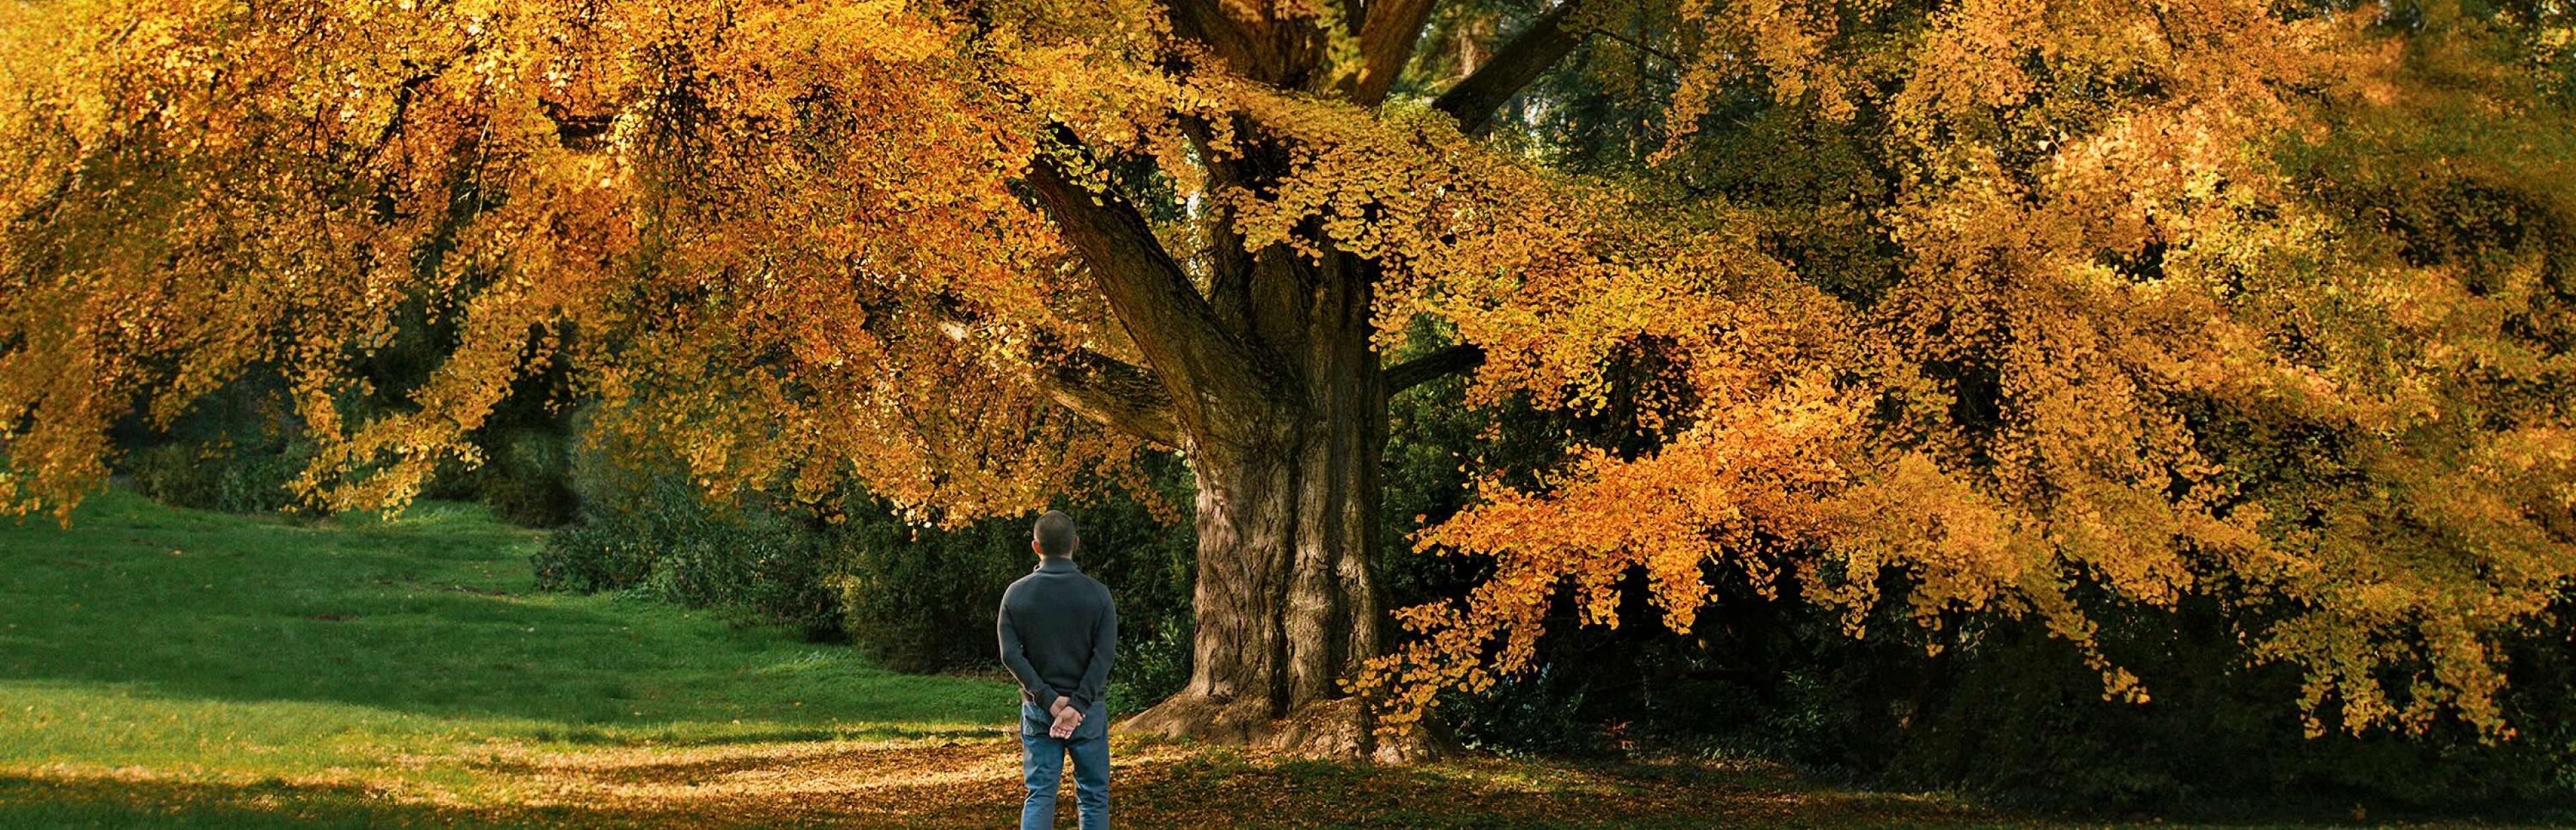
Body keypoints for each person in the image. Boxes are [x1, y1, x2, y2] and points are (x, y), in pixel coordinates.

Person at [998, 509, 1117, 830]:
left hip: (1039, 712)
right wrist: (1077, 706)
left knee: (1040, 794)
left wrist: (1048, 700)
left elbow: (1010, 655)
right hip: (1088, 711)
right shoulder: (1099, 595)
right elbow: (1104, 657)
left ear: (1036, 547)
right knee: (1093, 796)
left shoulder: (1016, 594)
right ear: (1075, 543)